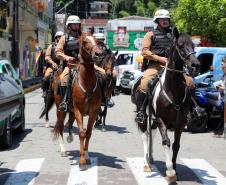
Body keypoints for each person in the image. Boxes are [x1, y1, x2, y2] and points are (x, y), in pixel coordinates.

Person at [135, 9, 195, 124]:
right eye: (162, 19)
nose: (165, 21)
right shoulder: (150, 34)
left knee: (190, 82)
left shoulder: (175, 34)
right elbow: (144, 52)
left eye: (167, 19)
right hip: (155, 66)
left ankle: (192, 110)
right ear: (157, 21)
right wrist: (159, 58)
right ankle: (141, 112)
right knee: (144, 82)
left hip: (174, 68)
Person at [56, 15, 82, 112]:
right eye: (74, 24)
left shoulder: (82, 37)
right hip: (70, 66)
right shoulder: (64, 38)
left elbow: (89, 49)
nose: (76, 26)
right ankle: (65, 102)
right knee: (63, 79)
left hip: (83, 65)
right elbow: (58, 52)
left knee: (102, 73)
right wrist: (67, 57)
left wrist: (82, 55)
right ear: (69, 26)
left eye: (77, 24)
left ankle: (102, 100)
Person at [93, 32, 116, 107]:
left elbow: (111, 54)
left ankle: (113, 91)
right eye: (99, 40)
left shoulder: (106, 46)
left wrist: (113, 56)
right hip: (95, 65)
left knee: (114, 74)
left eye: (102, 39)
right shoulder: (93, 47)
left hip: (105, 66)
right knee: (103, 74)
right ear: (96, 40)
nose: (101, 41)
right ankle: (102, 95)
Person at [42, 31, 64, 97]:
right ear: (56, 38)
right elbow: (47, 56)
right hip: (53, 65)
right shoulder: (51, 46)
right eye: (58, 37)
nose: (60, 38)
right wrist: (52, 63)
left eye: (61, 37)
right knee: (46, 75)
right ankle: (45, 91)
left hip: (63, 65)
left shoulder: (65, 45)